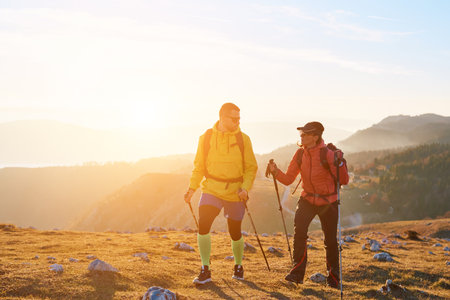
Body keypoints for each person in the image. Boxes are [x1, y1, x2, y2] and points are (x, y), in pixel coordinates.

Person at [267, 121, 349, 289]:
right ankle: (297, 273)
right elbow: (289, 179)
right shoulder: (299, 154)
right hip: (307, 200)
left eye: (305, 134)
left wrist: (339, 163)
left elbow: (344, 180)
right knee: (300, 232)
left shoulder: (328, 154)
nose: (301, 137)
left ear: (315, 136)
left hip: (328, 202)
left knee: (330, 240)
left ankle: (333, 278)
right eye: (301, 134)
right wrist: (275, 171)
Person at [184, 103, 258, 285]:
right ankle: (205, 269)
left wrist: (245, 188)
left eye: (239, 118)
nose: (238, 122)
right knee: (204, 225)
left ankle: (238, 265)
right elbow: (199, 166)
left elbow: (251, 167)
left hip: (235, 191)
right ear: (222, 118)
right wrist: (192, 188)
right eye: (234, 118)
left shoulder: (243, 139)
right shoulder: (206, 137)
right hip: (211, 189)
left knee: (234, 231)